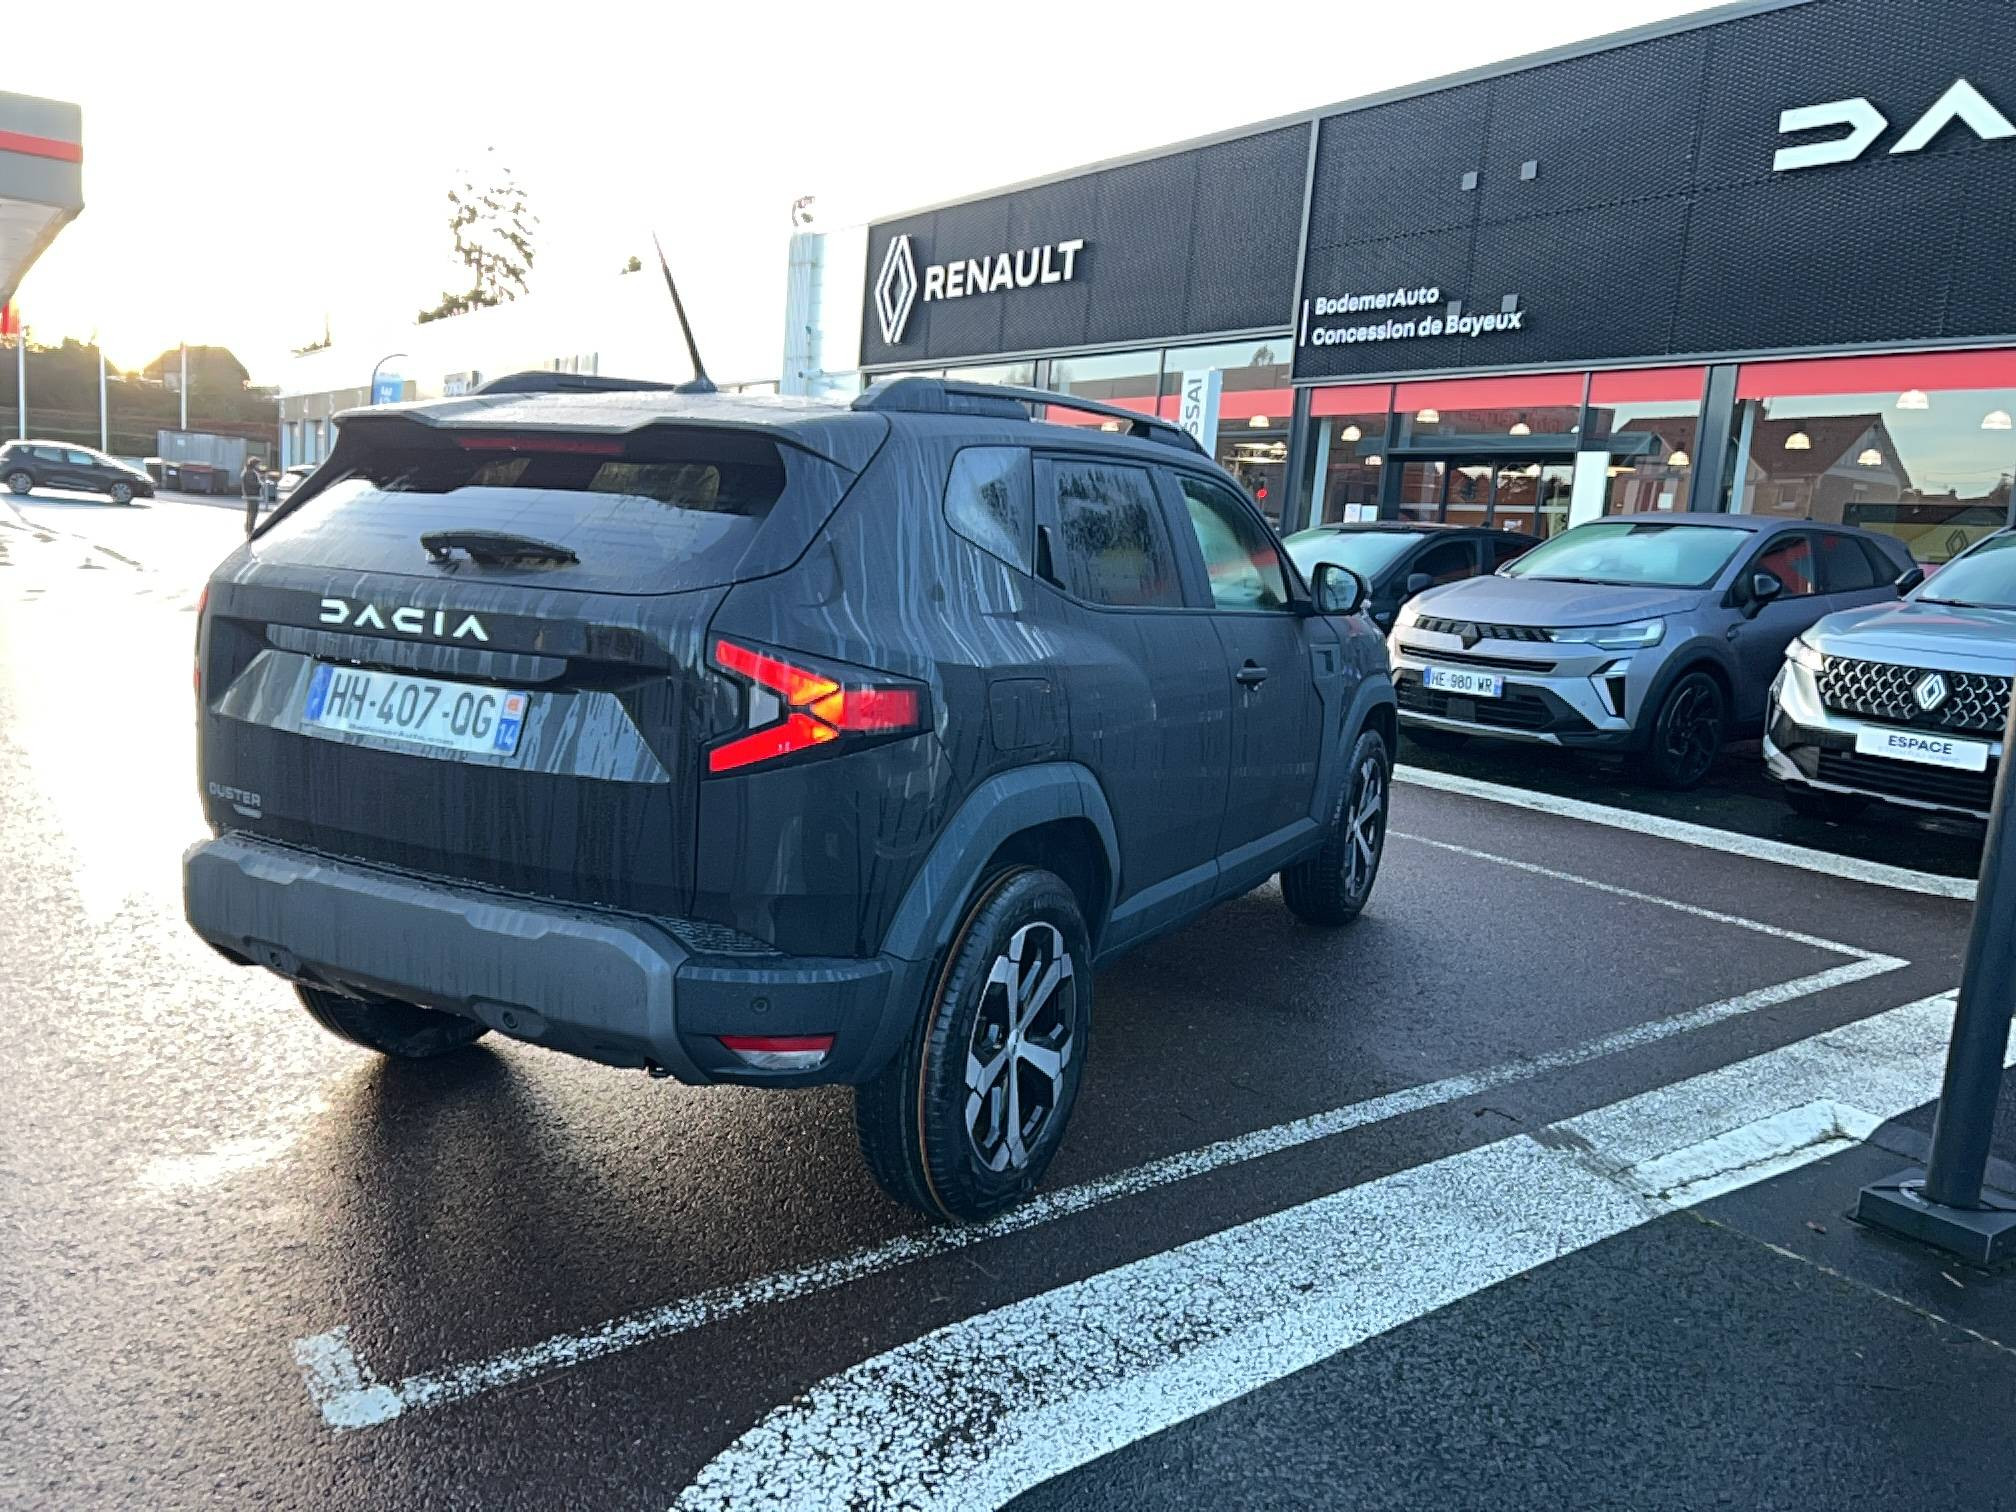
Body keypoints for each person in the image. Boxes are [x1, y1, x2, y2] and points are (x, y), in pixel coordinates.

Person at [241, 456, 265, 534]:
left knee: (250, 512)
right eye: (258, 464)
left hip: (251, 494)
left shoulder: (249, 471)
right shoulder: (250, 472)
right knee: (253, 512)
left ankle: (248, 528)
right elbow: (251, 483)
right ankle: (250, 529)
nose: (259, 466)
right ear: (254, 464)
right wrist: (260, 484)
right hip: (252, 495)